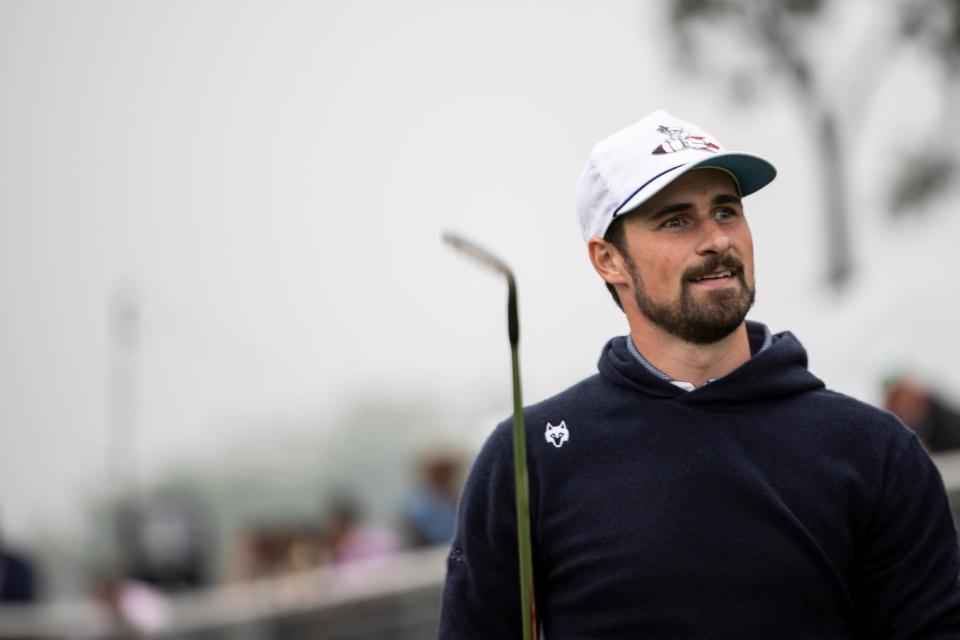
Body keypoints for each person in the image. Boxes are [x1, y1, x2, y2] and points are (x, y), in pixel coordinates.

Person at [438, 110, 960, 638]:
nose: (716, 240)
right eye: (676, 220)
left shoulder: (876, 450)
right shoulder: (529, 458)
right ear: (608, 260)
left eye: (727, 212)